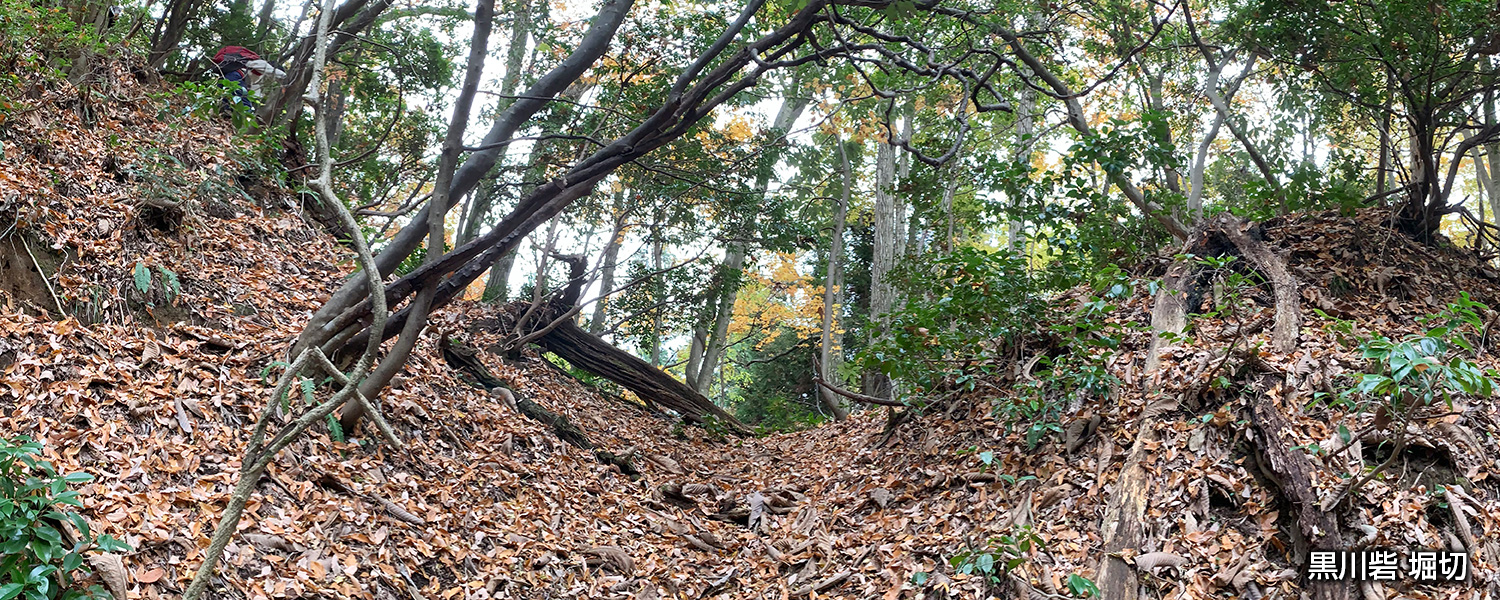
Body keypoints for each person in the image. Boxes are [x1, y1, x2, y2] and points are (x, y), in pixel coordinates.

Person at [209, 46, 285, 110]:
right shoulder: (262, 64)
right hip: (235, 77)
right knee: (244, 105)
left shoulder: (258, 77)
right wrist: (286, 79)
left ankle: (223, 118)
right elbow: (273, 71)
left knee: (224, 101)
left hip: (226, 78)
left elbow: (254, 93)